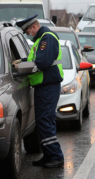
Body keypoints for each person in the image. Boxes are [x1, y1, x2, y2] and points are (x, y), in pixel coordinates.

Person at [14, 15, 64, 168]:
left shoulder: (46, 38)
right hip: (43, 86)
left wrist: (23, 67)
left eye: (28, 32)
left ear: (34, 27)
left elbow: (41, 62)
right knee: (42, 121)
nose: (28, 35)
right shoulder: (40, 40)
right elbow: (34, 59)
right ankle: (48, 155)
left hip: (48, 86)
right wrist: (22, 62)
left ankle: (56, 156)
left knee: (45, 121)